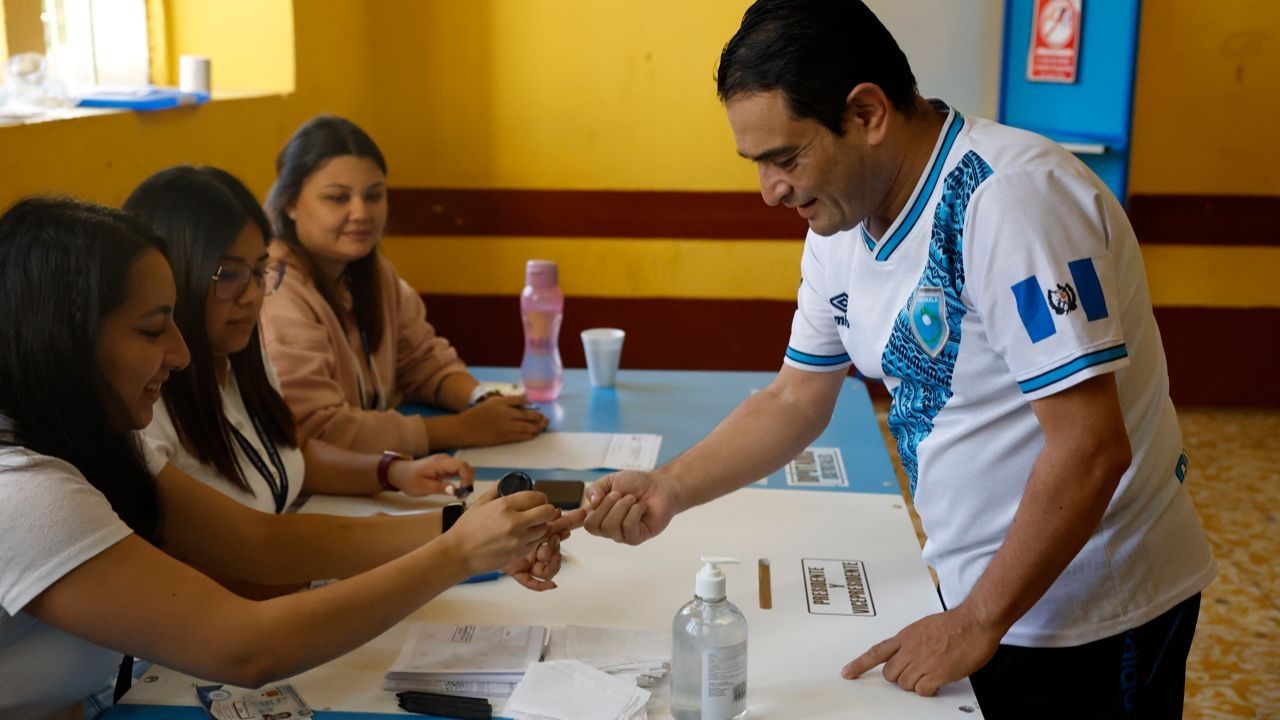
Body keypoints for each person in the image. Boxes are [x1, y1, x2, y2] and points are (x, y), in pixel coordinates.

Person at [580, 1, 1215, 716]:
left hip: (1092, 611)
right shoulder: (839, 223)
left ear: (868, 113)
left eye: (785, 158)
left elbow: (1092, 447)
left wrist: (977, 620)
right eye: (756, 164)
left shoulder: (1009, 201)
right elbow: (796, 399)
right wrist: (668, 487)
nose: (769, 191)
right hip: (987, 593)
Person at [0, 197, 567, 720]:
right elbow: (245, 646)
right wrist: (455, 556)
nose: (179, 352)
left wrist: (456, 524)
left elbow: (261, 544)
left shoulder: (93, 436)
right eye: (152, 331)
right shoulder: (26, 493)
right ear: (61, 341)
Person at [126, 165, 480, 514]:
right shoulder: (146, 407)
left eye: (260, 272)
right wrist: (441, 539)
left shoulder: (241, 355)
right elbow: (249, 545)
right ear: (173, 278)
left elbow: (292, 451)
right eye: (230, 274)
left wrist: (393, 472)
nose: (252, 295)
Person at [260, 115, 547, 456]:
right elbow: (316, 428)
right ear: (290, 203)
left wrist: (480, 399)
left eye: (374, 195)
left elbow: (420, 360)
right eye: (337, 198)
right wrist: (460, 429)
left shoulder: (370, 271)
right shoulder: (275, 290)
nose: (361, 213)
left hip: (372, 475)